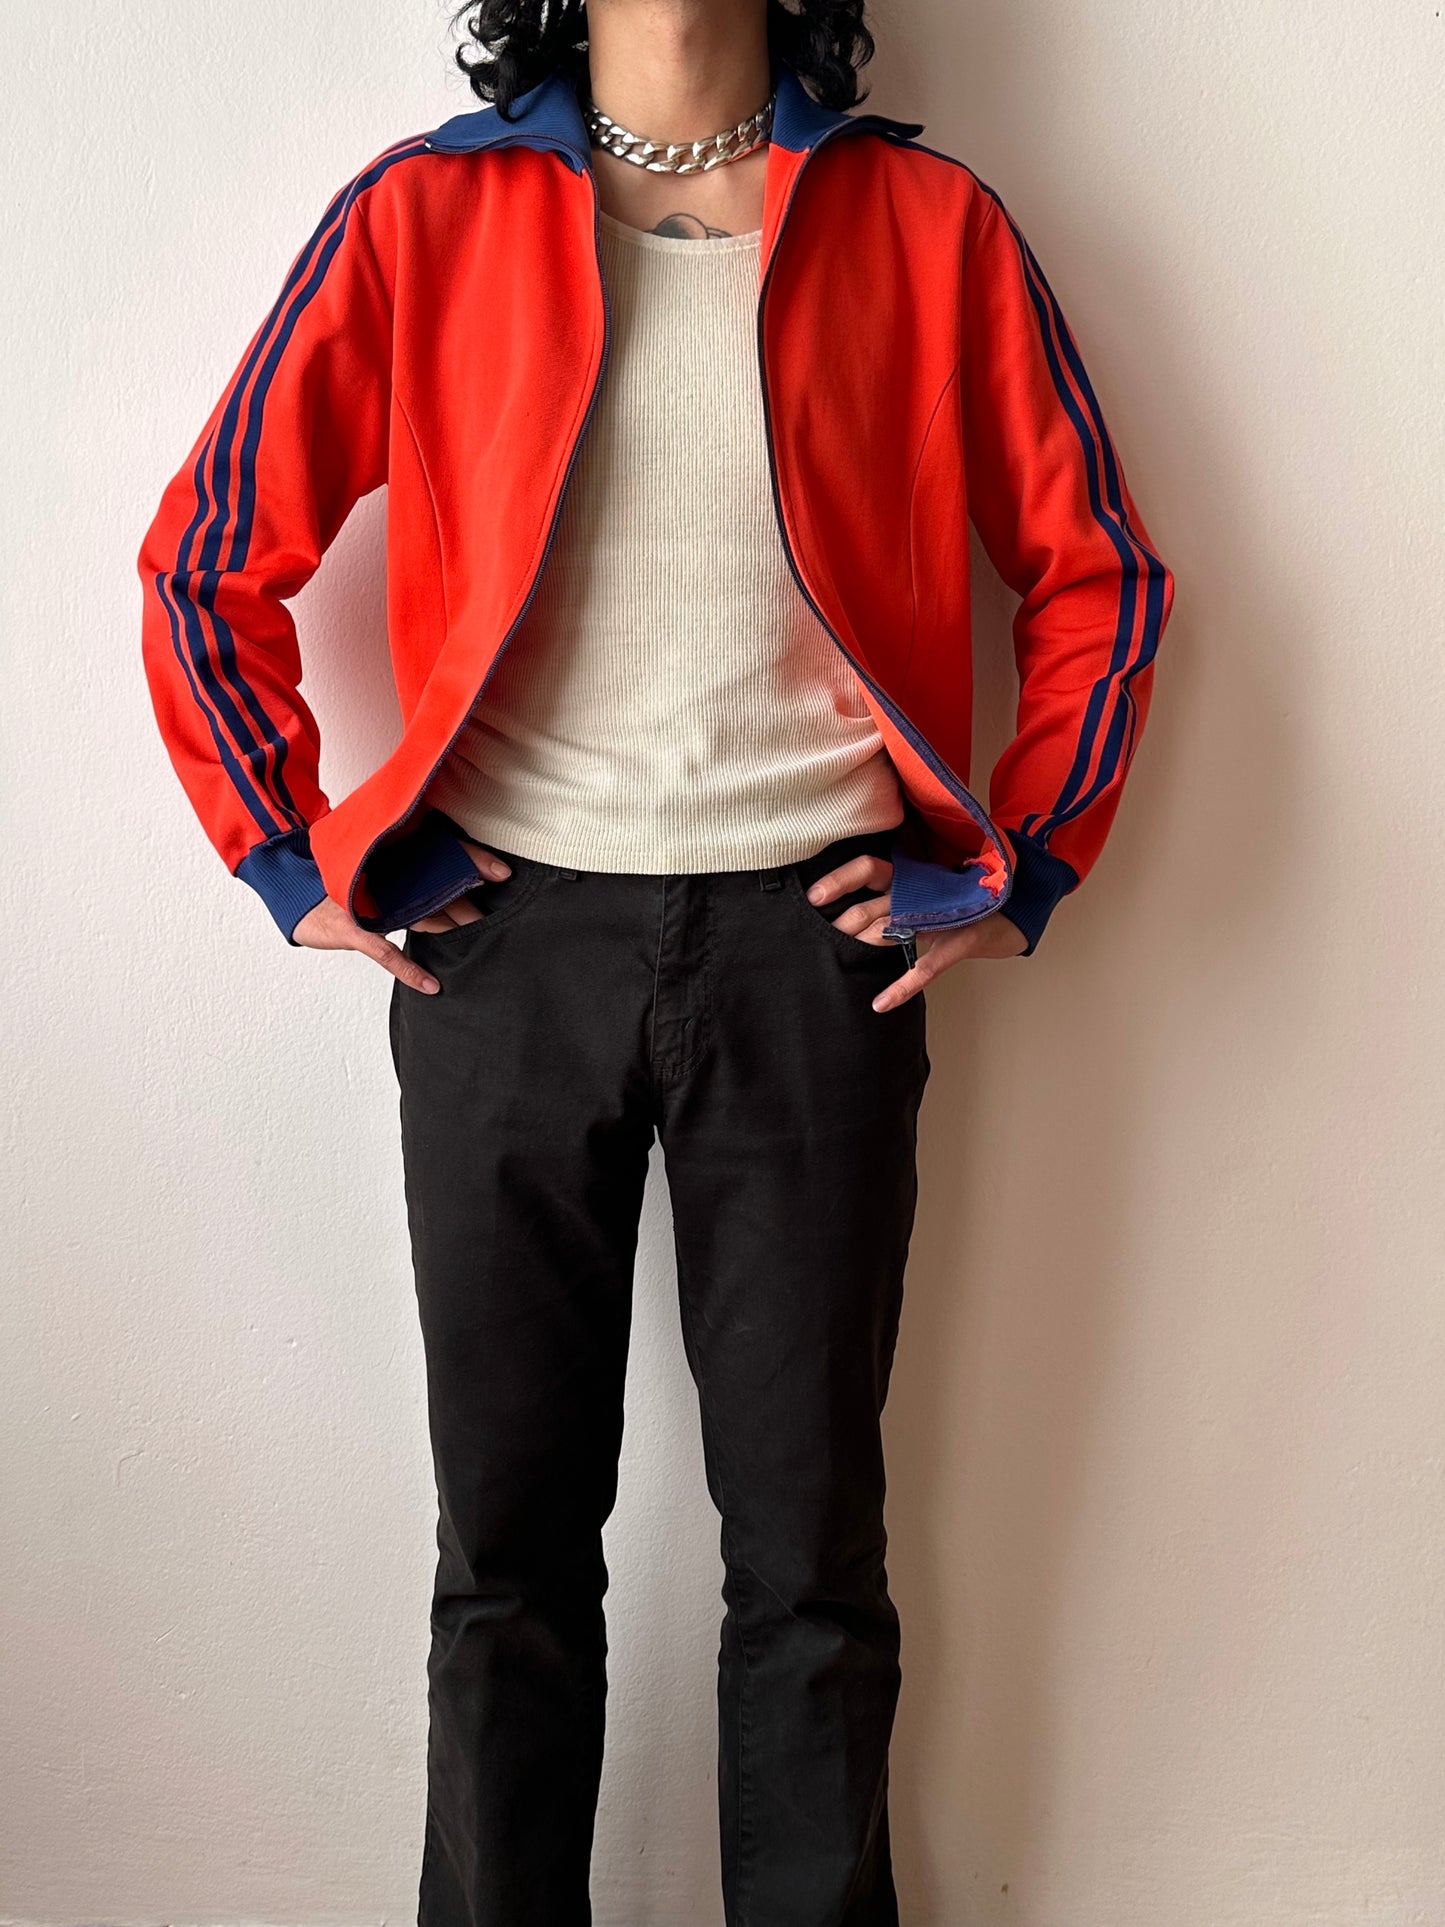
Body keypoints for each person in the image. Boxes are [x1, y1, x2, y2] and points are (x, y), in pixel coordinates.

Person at [136, 0, 1175, 1919]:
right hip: (503, 949)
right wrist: (290, 853)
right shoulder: (418, 219)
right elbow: (208, 560)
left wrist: (1018, 863)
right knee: (507, 1560)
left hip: (813, 953)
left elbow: (1096, 570)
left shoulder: (930, 226)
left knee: (809, 1567)